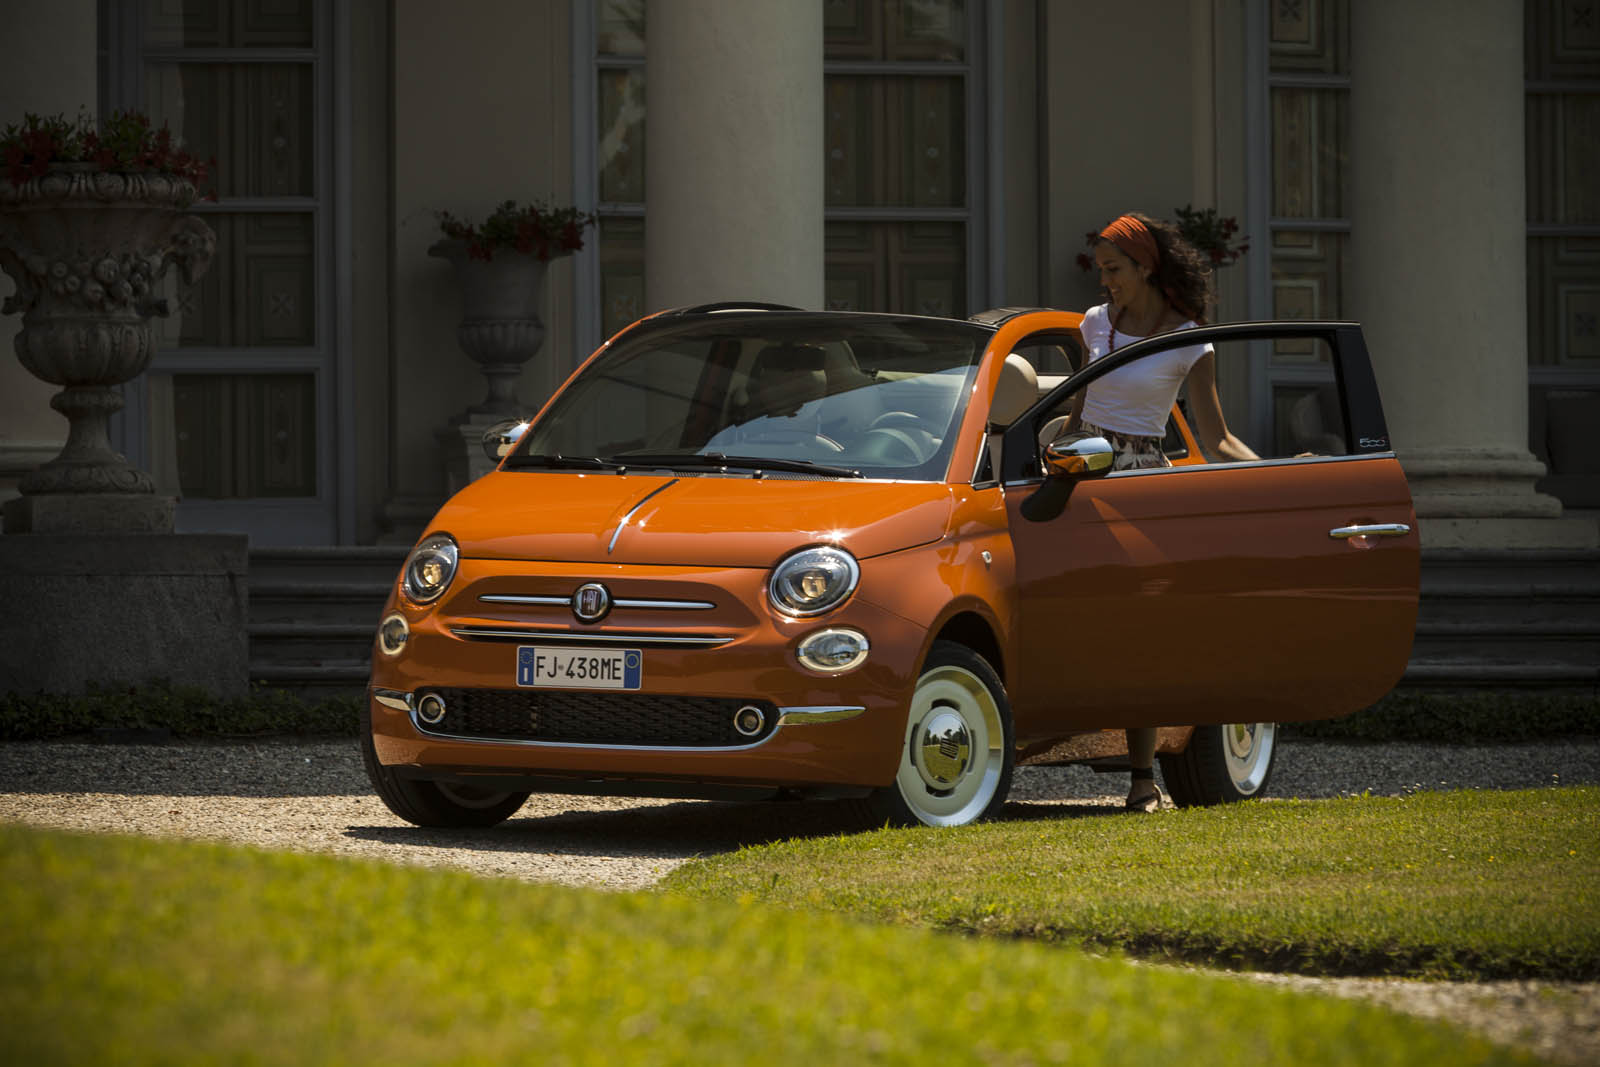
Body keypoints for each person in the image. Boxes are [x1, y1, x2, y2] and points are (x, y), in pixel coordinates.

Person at [1060, 212, 1259, 812]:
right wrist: (1054, 459)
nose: (1105, 282)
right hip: (1081, 471)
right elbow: (1078, 406)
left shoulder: (1190, 340)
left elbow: (1218, 438)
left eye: (1114, 269)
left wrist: (1279, 474)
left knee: (1138, 631)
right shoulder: (1095, 323)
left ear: (1145, 267)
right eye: (1101, 270)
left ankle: (1142, 777)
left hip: (1141, 480)